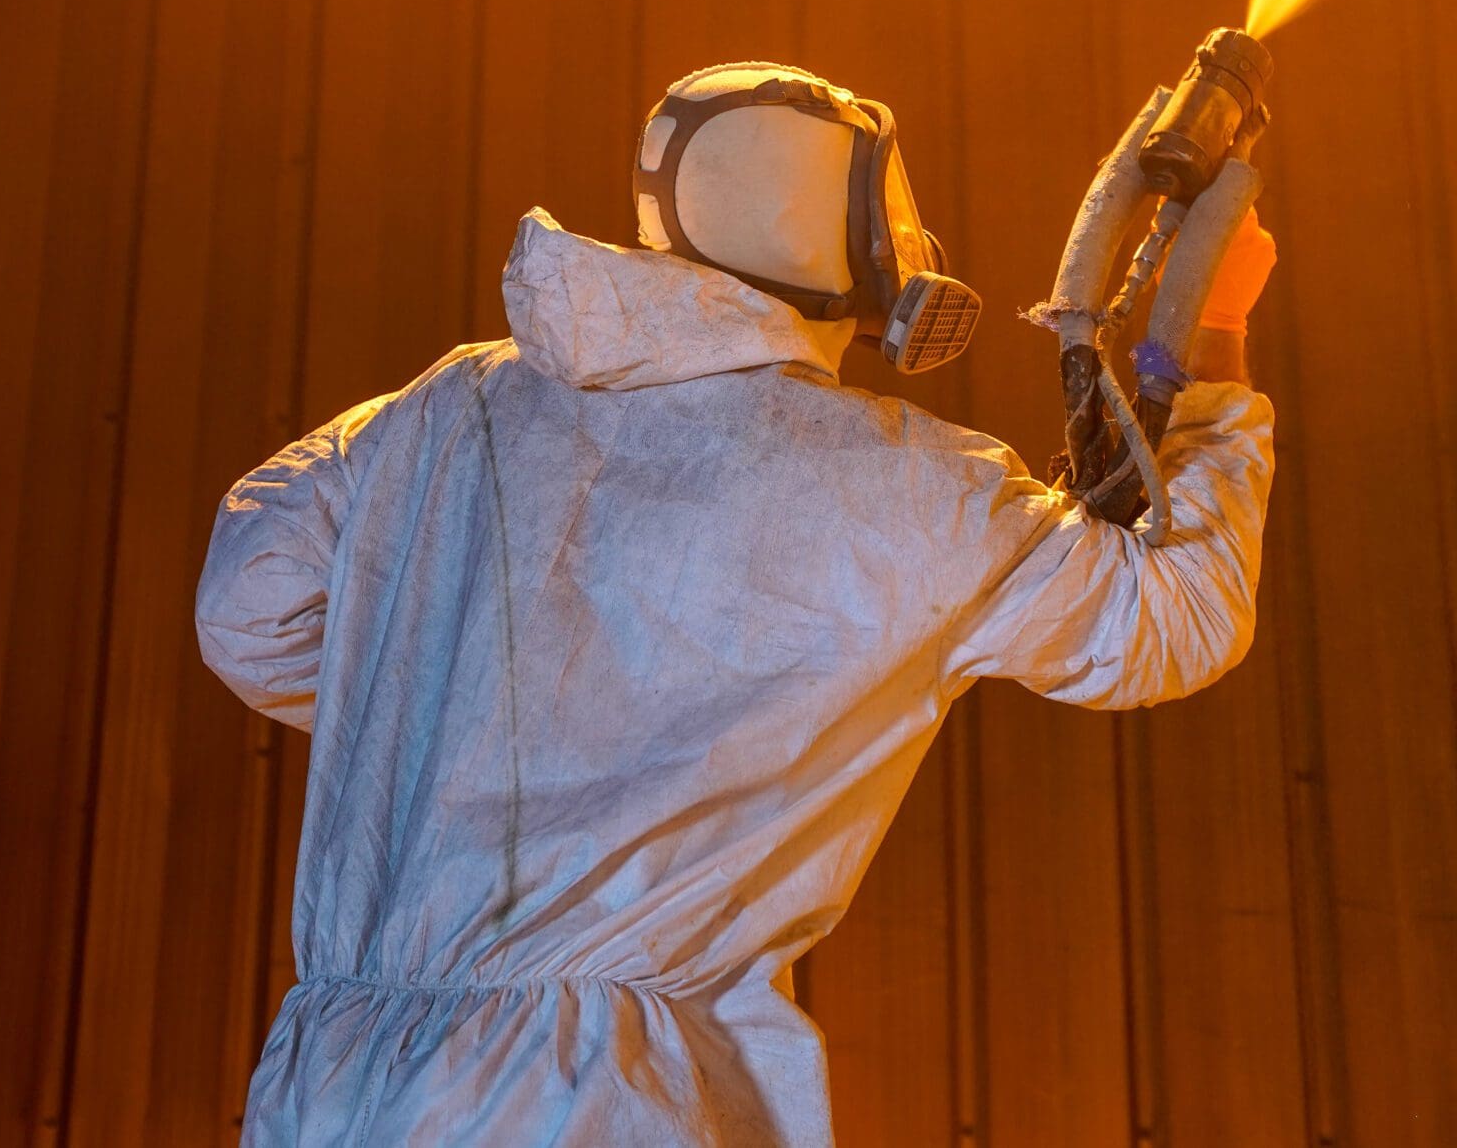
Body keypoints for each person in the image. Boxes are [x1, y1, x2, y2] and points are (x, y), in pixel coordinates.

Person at [197, 60, 1278, 1145]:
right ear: (858, 231)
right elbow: (1175, 617)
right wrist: (1214, 324)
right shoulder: (901, 483)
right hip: (592, 1098)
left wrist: (463, 730)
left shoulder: (450, 404)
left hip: (328, 1077)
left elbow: (247, 609)